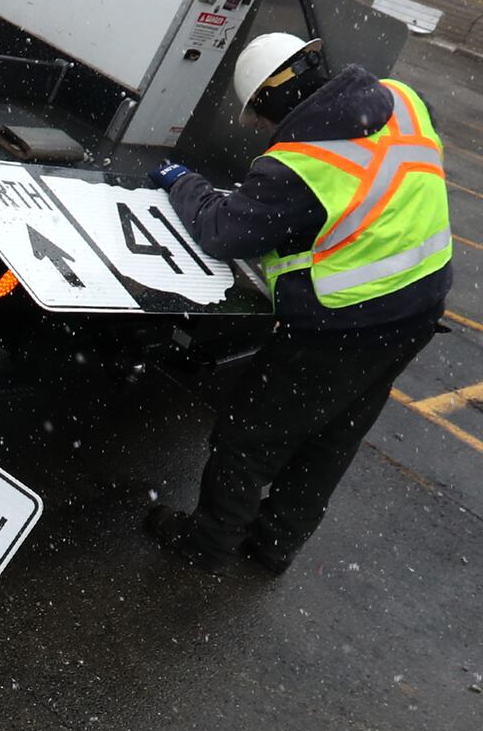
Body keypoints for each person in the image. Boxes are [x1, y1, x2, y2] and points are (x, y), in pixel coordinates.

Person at [145, 32, 452, 575]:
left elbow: (221, 230)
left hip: (343, 323)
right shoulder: (403, 99)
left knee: (248, 437)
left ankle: (209, 545)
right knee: (332, 437)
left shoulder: (302, 161)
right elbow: (375, 182)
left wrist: (181, 180)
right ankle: (274, 546)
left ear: (265, 101)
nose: (265, 134)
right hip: (419, 304)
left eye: (260, 120)